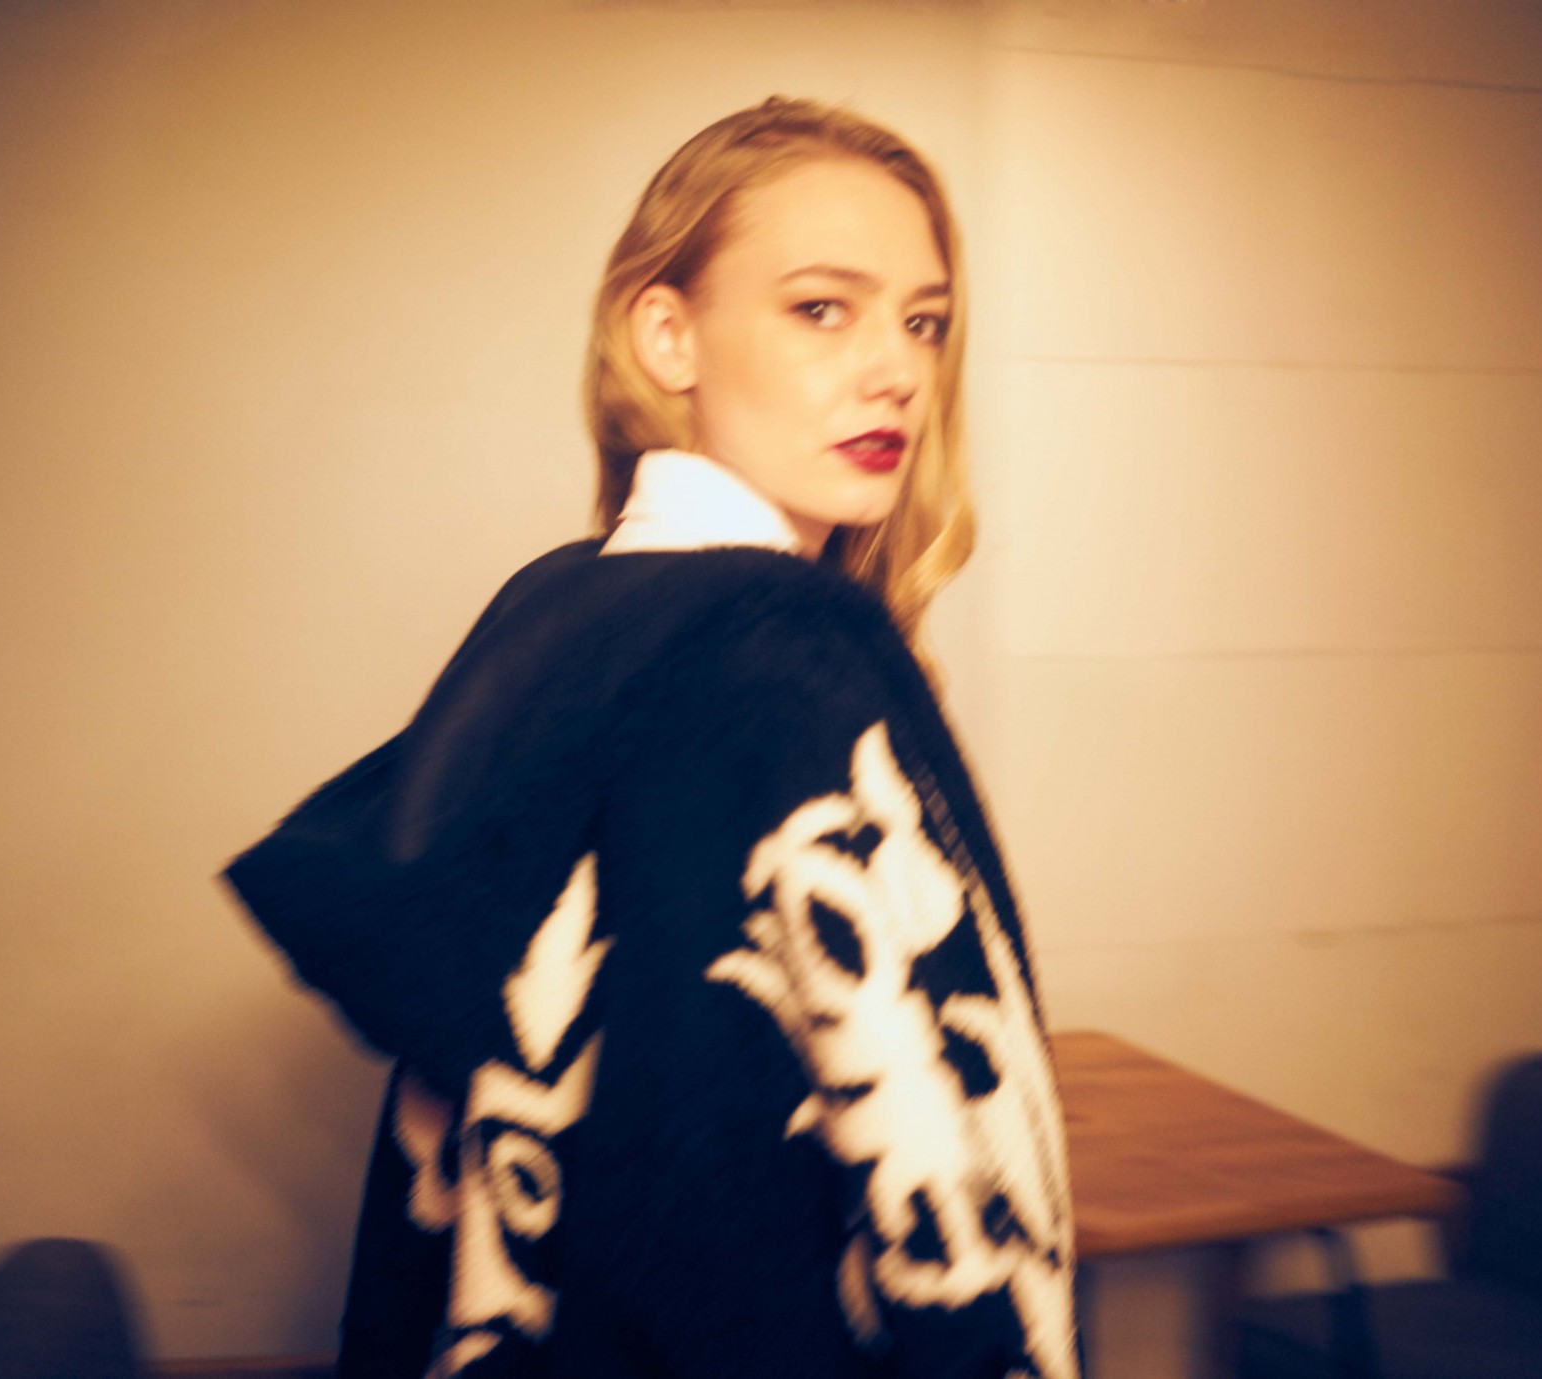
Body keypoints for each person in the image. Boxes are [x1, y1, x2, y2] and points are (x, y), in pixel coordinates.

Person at [224, 96, 1078, 1379]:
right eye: (821, 308)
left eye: (922, 321)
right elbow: (946, 1154)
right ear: (666, 333)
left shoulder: (564, 603)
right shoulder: (780, 648)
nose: (897, 371)